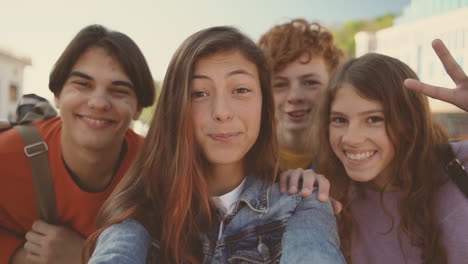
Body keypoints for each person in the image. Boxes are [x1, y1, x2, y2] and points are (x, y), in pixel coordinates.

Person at [85, 26, 345, 263]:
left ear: (264, 105)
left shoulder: (302, 202)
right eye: (199, 93)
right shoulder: (140, 212)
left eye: (241, 90)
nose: (222, 112)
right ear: (176, 109)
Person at [0, 24, 156, 264]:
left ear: (138, 109)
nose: (98, 102)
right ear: (58, 95)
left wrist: (85, 255)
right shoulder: (7, 155)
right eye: (83, 84)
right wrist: (19, 256)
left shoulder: (158, 168)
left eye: (119, 90)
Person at [313, 39, 468, 263]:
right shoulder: (326, 195)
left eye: (374, 119)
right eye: (339, 120)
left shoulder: (461, 165)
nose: (351, 138)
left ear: (409, 122)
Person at [258, 18, 345, 171]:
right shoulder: (241, 163)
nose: (294, 97)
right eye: (280, 85)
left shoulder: (354, 161)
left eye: (310, 82)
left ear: (334, 85)